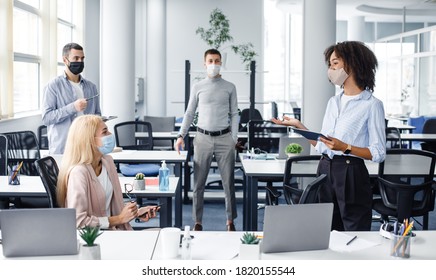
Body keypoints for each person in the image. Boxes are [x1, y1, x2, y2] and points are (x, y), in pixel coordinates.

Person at [272, 41, 386, 231]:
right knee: (326, 229)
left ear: (352, 63)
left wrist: (346, 148)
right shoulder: (333, 102)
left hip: (351, 172)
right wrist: (299, 126)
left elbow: (379, 152)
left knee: (354, 230)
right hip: (325, 167)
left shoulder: (372, 104)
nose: (331, 69)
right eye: (330, 64)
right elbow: (324, 145)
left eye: (335, 63)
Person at [175, 49, 239, 231]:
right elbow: (189, 113)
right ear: (204, 64)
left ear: (221, 63)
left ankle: (230, 221)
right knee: (198, 184)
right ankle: (198, 221)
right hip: (202, 138)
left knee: (229, 183)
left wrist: (233, 138)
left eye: (217, 61)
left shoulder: (229, 87)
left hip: (224, 138)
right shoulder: (198, 87)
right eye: (210, 61)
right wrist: (181, 136)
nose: (213, 64)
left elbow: (235, 114)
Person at [57, 115, 159, 229]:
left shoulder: (107, 162)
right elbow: (78, 221)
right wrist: (119, 219)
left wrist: (135, 212)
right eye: (105, 132)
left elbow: (108, 206)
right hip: (96, 238)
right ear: (89, 140)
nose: (110, 135)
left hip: (115, 231)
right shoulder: (79, 173)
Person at [42, 42, 101, 154]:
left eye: (82, 58)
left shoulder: (91, 87)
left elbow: (97, 114)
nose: (80, 62)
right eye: (76, 58)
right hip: (63, 148)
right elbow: (46, 118)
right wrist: (73, 107)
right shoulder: (53, 86)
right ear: (65, 60)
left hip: (87, 147)